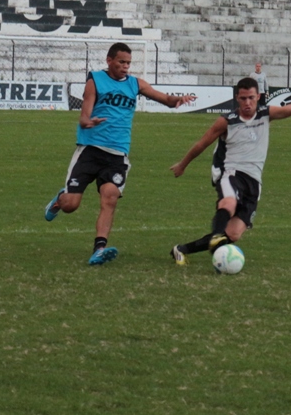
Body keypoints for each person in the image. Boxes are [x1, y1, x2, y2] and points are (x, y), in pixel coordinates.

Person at [44, 42, 194, 265]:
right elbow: (84, 115)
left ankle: (99, 248)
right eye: (121, 62)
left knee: (110, 198)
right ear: (109, 60)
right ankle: (59, 200)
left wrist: (178, 100)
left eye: (128, 63)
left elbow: (165, 99)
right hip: (90, 150)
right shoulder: (95, 81)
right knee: (71, 205)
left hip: (117, 154)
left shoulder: (135, 84)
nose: (125, 67)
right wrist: (88, 122)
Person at [168, 78, 291, 266]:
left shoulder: (265, 114)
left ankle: (181, 249)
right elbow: (202, 144)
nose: (247, 103)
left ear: (258, 96)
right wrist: (183, 165)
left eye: (251, 98)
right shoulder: (227, 121)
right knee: (229, 202)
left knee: (234, 233)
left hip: (254, 180)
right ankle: (217, 235)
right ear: (237, 98)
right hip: (229, 171)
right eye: (243, 98)